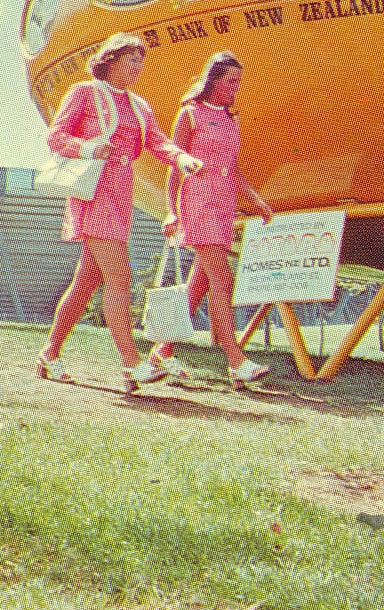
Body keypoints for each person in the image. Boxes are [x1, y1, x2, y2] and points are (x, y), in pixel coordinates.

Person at [36, 33, 203, 393]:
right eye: (132, 60)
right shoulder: (84, 92)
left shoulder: (140, 105)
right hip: (93, 189)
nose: (138, 68)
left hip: (120, 191)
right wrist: (90, 147)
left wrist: (182, 157)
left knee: (86, 283)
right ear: (110, 60)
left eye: (141, 61)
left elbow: (157, 140)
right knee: (120, 274)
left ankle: (49, 354)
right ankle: (131, 363)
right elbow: (56, 136)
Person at [146, 51, 275, 387]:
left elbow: (233, 170)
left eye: (239, 82)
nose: (236, 88)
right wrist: (172, 210)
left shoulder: (232, 120)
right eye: (231, 81)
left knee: (200, 283)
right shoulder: (189, 114)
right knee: (223, 277)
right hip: (198, 202)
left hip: (224, 205)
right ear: (213, 80)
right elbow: (175, 164)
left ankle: (162, 350)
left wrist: (257, 200)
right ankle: (235, 360)